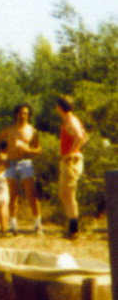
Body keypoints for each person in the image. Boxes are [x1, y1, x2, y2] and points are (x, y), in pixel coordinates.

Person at [0, 102, 41, 235]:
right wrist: (0, 159)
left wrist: (29, 150)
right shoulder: (9, 130)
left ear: (29, 115)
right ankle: (13, 226)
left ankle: (37, 225)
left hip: (25, 163)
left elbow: (38, 149)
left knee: (31, 195)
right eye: (20, 113)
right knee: (13, 196)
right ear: (16, 114)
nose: (22, 116)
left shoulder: (32, 131)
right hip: (11, 163)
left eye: (25, 113)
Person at [55, 95, 88, 238]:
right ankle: (72, 227)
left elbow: (80, 137)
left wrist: (71, 153)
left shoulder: (70, 121)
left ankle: (73, 230)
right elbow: (84, 136)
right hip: (71, 160)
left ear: (59, 107)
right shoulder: (72, 119)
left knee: (67, 194)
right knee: (65, 194)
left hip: (71, 161)